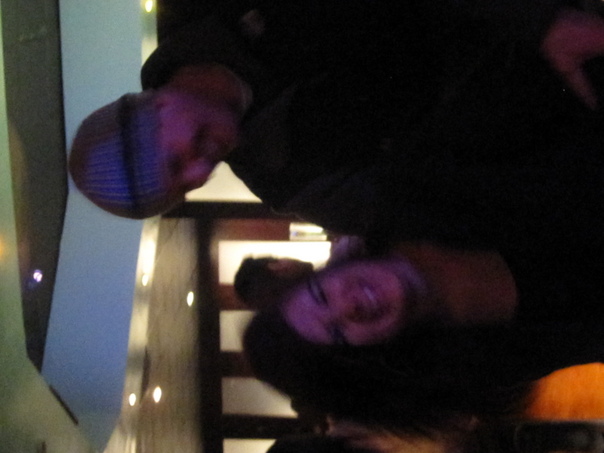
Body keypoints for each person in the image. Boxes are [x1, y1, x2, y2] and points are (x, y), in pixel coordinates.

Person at [69, 1, 604, 246]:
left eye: (175, 161)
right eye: (185, 187)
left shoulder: (201, 10)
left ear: (153, 106)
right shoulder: (290, 181)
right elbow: (453, 206)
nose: (200, 173)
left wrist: (538, 20)